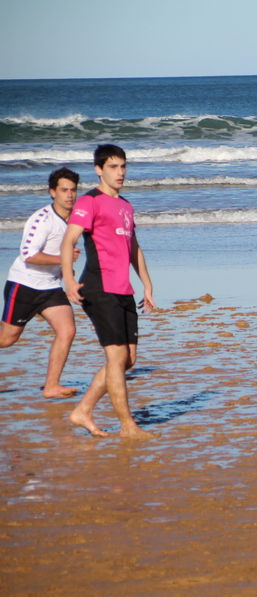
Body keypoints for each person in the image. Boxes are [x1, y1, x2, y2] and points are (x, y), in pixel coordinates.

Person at [60, 144, 156, 438]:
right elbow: (68, 241)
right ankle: (127, 425)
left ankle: (82, 411)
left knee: (128, 360)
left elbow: (133, 247)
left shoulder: (126, 205)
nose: (120, 172)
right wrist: (69, 280)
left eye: (123, 166)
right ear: (98, 170)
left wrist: (147, 284)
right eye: (113, 167)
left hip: (123, 289)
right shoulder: (89, 201)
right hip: (98, 287)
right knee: (116, 358)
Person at [2, 168, 82, 398]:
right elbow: (29, 255)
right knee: (7, 339)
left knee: (67, 330)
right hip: (24, 285)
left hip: (50, 287)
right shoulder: (42, 219)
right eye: (64, 190)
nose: (69, 195)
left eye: (73, 190)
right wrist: (64, 259)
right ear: (52, 192)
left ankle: (51, 386)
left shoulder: (76, 219)